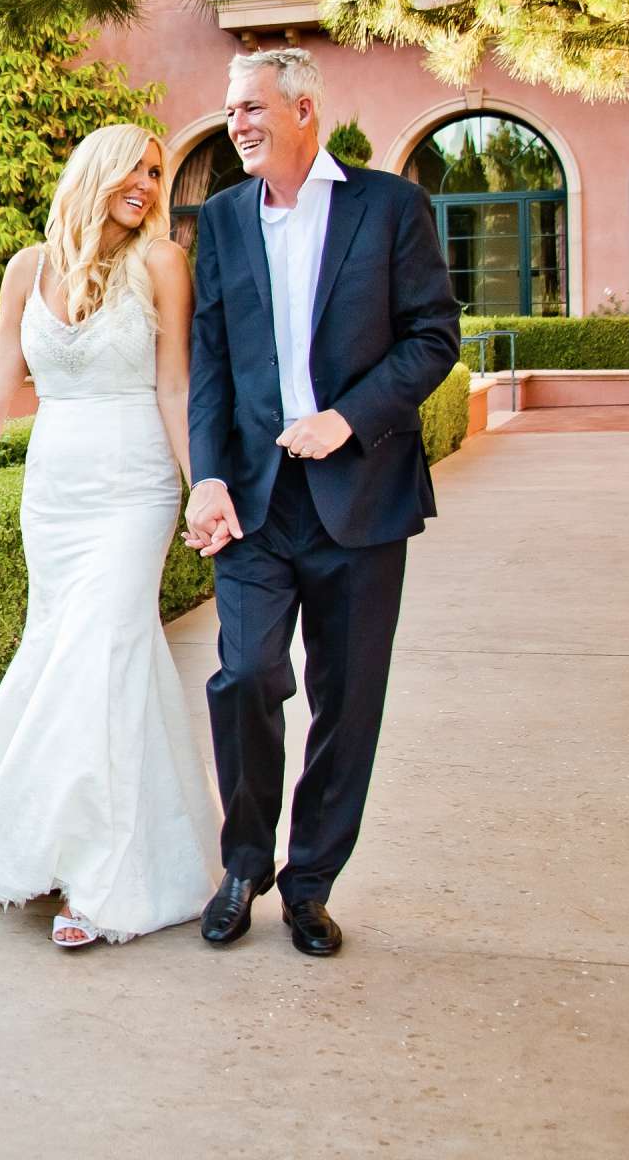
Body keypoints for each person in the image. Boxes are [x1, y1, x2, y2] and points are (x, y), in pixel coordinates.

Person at [183, 48, 461, 958]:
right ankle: (244, 863)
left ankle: (309, 884)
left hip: (362, 494)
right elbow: (211, 363)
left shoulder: (391, 207)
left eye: (254, 108)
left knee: (349, 701)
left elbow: (433, 337)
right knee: (248, 674)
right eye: (231, 112)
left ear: (305, 109)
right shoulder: (221, 220)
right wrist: (210, 475)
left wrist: (348, 418)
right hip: (256, 505)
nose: (239, 124)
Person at [0, 123, 220, 948]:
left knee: (103, 650)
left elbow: (175, 387)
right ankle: (53, 845)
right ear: (95, 170)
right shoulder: (27, 269)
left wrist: (202, 490)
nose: (149, 184)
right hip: (54, 494)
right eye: (137, 167)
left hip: (134, 487)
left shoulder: (162, 263)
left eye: (158, 173)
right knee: (60, 654)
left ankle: (100, 877)